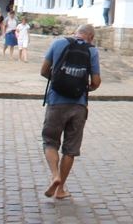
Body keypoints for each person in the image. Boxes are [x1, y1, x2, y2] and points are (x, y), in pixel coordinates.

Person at [40, 23, 101, 199]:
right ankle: (61, 190)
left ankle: (55, 176)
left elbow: (44, 71)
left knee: (50, 141)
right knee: (70, 148)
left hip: (56, 101)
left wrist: (60, 81)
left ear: (76, 33)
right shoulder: (92, 51)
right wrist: (83, 87)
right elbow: (96, 82)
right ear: (90, 36)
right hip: (78, 105)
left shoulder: (59, 43)